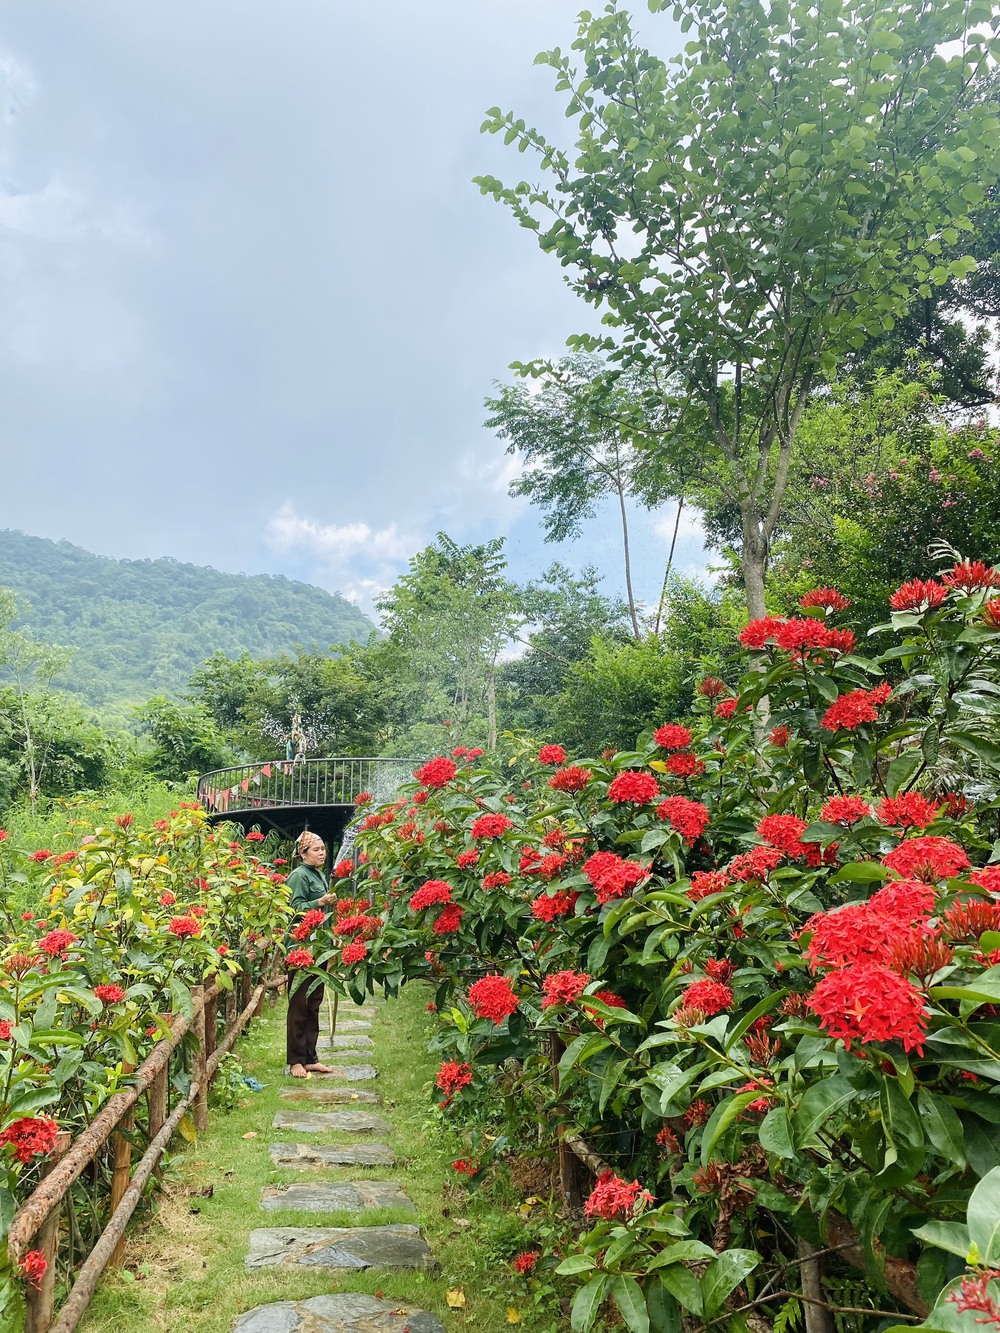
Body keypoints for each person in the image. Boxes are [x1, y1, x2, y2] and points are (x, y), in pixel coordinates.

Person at [285, 830, 337, 1077]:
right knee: (299, 1004)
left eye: (323, 849)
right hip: (301, 948)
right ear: (303, 853)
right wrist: (320, 903)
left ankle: (310, 1057)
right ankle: (295, 1060)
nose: (321, 853)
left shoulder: (317, 875)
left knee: (314, 1002)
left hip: (319, 948)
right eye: (316, 850)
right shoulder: (298, 876)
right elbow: (293, 910)